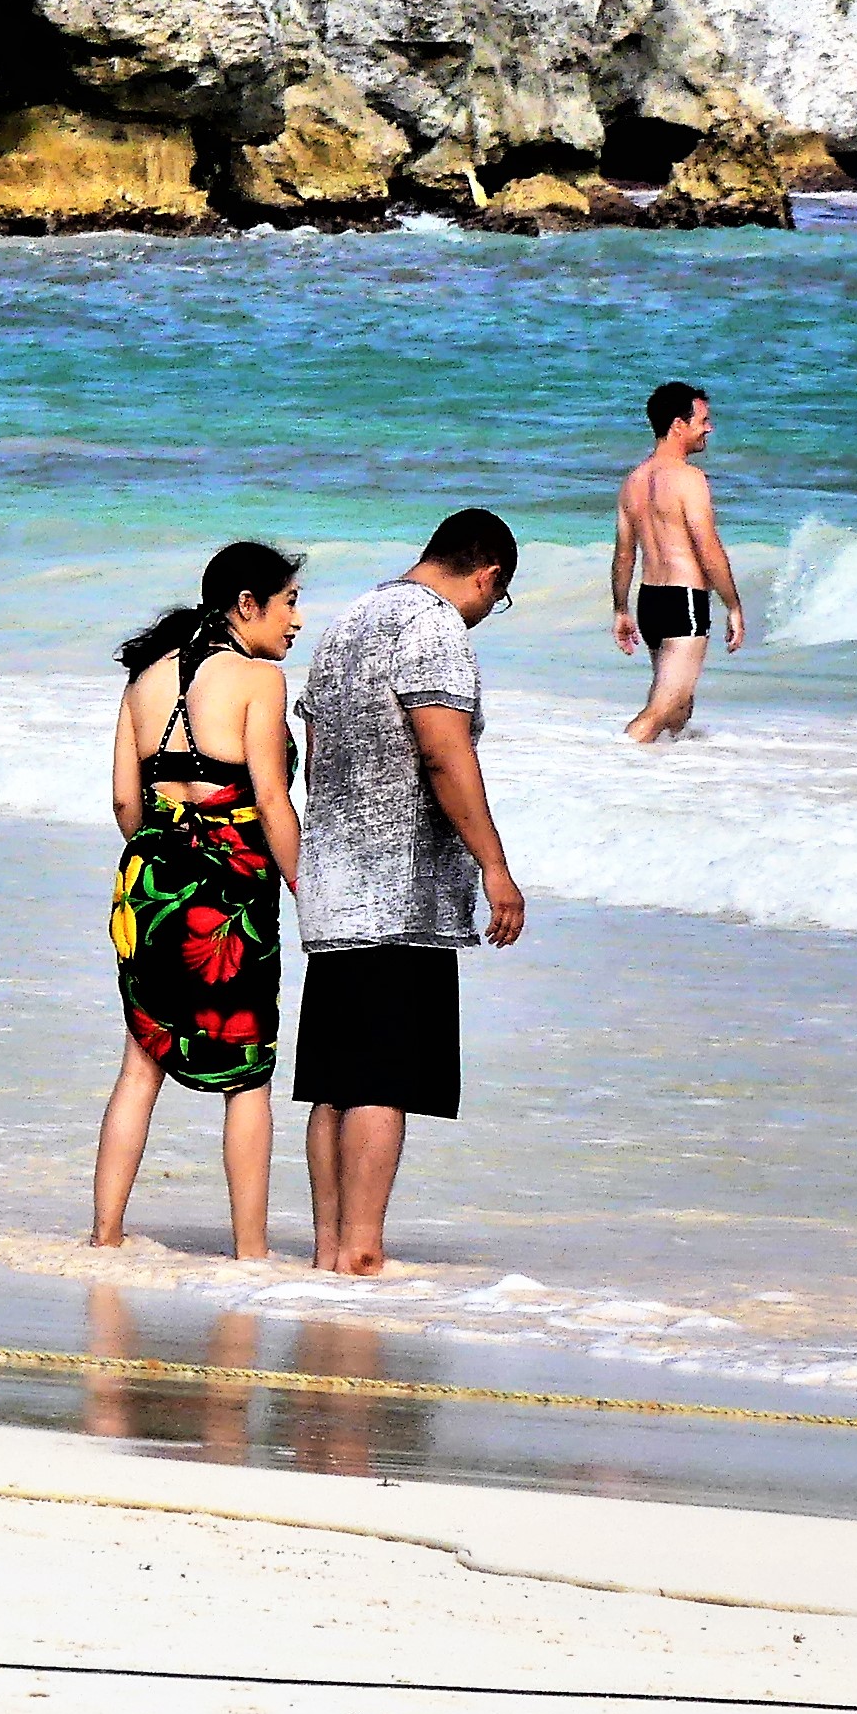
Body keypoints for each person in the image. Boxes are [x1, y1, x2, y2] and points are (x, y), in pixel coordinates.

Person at [295, 511, 527, 1275]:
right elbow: (443, 751)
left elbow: (316, 762)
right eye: (498, 598)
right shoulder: (435, 628)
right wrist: (494, 866)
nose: (489, 611)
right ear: (488, 576)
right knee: (381, 1078)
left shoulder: (346, 623)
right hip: (400, 893)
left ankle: (330, 1251)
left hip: (333, 884)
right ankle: (362, 1250)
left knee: (333, 1083)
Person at [90, 543, 305, 1258]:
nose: (297, 620)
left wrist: (166, 860)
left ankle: (105, 1235)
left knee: (139, 1062)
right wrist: (306, 889)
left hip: (149, 883)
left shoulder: (144, 679)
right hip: (232, 889)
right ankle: (250, 1252)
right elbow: (271, 801)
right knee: (248, 1075)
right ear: (247, 604)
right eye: (289, 602)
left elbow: (125, 802)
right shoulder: (259, 680)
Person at [613, 381, 743, 742]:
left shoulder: (633, 482)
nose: (709, 428)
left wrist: (621, 609)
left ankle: (663, 770)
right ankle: (613, 760)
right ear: (678, 425)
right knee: (662, 710)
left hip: (650, 601)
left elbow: (624, 554)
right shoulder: (689, 479)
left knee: (678, 709)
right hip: (683, 599)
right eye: (702, 421)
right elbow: (708, 547)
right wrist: (733, 605)